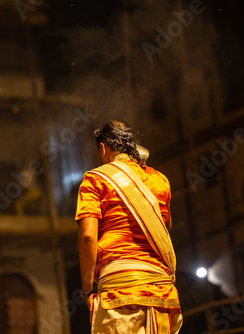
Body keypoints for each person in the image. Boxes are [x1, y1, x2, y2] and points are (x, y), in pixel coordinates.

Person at [76, 120, 182, 333]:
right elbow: (164, 229)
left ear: (103, 148)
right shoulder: (160, 180)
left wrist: (88, 291)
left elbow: (88, 236)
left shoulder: (95, 179)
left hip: (119, 294)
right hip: (162, 294)